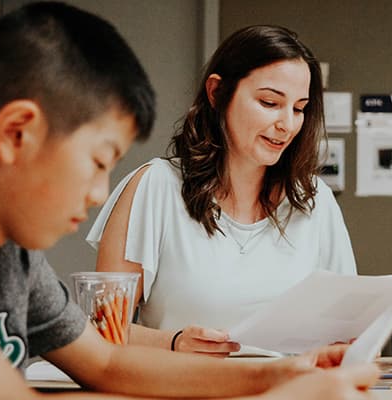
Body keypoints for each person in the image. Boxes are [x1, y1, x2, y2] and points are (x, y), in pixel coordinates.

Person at [0, 3, 379, 399]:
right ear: (17, 133)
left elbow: (108, 363)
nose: (97, 194)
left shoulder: (12, 260)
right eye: (96, 162)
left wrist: (286, 373)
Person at [87, 25, 357, 357]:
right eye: (269, 102)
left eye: (299, 108)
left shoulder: (315, 201)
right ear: (217, 93)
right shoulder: (155, 187)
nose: (287, 124)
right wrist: (174, 342)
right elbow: (102, 328)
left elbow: (346, 330)